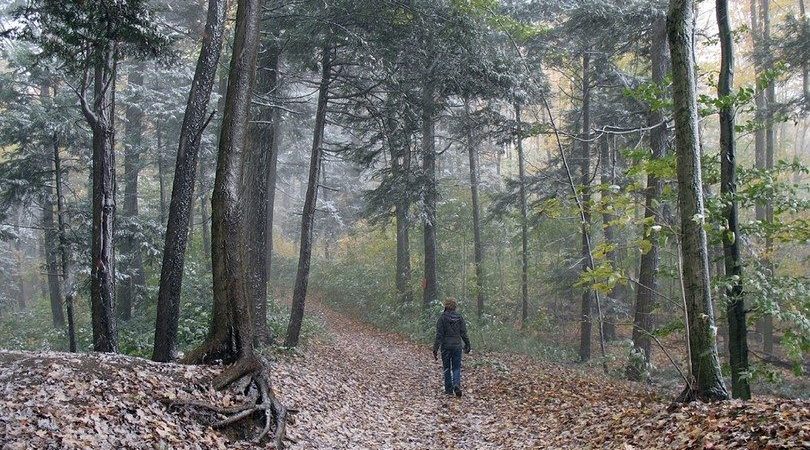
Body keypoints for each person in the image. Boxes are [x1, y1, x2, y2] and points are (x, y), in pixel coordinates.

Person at [432, 298, 471, 397]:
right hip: (457, 346)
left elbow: (439, 335)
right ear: (455, 306)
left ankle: (449, 389)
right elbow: (463, 333)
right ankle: (456, 384)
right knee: (456, 367)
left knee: (447, 367)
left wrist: (435, 348)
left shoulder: (442, 318)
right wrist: (467, 344)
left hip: (445, 346)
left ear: (445, 306)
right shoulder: (460, 318)